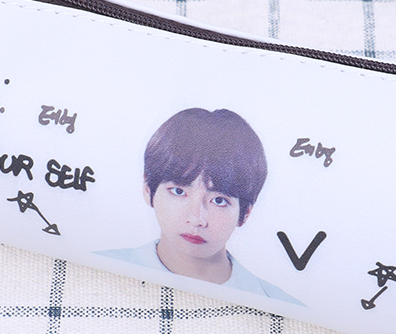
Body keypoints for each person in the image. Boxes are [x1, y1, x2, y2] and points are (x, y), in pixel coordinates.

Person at [96, 108, 303, 305]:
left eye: (219, 200)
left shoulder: (282, 305)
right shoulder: (100, 267)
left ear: (245, 213)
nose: (197, 219)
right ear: (148, 189)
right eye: (179, 191)